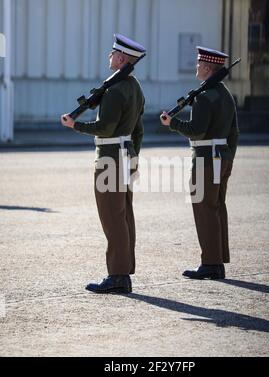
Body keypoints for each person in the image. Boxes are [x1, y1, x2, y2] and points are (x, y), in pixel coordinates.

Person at [61, 34, 146, 293]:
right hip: (126, 157)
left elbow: (104, 127)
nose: (109, 57)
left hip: (109, 158)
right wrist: (133, 155)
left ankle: (118, 275)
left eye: (112, 53)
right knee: (124, 215)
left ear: (121, 58)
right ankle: (124, 270)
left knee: (112, 217)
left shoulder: (114, 90)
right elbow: (138, 130)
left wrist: (75, 125)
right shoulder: (135, 88)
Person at [160, 46, 239, 279]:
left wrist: (172, 123)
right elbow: (234, 132)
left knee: (204, 209)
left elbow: (196, 131)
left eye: (198, 64)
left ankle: (210, 263)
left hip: (206, 160)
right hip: (221, 158)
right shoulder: (225, 94)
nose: (196, 67)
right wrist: (228, 158)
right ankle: (217, 261)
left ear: (207, 68)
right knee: (216, 208)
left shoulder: (205, 97)